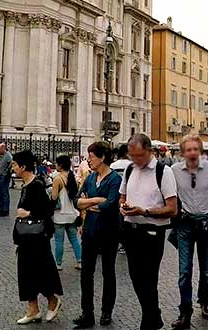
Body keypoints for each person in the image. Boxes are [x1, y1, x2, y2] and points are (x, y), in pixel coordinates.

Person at [169, 134, 208, 329]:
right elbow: (167, 195)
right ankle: (184, 311)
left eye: (196, 149)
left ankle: (205, 301)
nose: (192, 153)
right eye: (188, 150)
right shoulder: (173, 171)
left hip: (206, 222)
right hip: (185, 224)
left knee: (206, 270)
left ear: (200, 151)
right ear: (183, 153)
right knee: (184, 271)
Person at [119, 134, 179, 330]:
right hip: (130, 230)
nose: (136, 160)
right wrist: (123, 206)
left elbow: (172, 208)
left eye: (140, 155)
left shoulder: (164, 171)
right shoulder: (129, 169)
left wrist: (144, 211)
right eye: (132, 156)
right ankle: (154, 316)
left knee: (149, 279)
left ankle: (149, 322)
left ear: (150, 151)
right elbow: (122, 196)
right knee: (136, 278)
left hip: (152, 233)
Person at [72, 141, 122, 329]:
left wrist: (90, 204)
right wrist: (94, 201)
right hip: (90, 230)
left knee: (108, 272)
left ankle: (106, 311)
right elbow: (77, 200)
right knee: (86, 273)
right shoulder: (90, 178)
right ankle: (87, 313)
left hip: (109, 231)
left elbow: (110, 204)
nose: (88, 160)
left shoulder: (115, 179)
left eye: (91, 157)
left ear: (101, 158)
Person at [12, 150, 63, 324]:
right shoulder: (25, 185)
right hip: (25, 237)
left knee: (42, 271)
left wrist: (28, 213)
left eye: (15, 164)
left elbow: (47, 210)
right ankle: (33, 309)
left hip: (38, 237)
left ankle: (52, 300)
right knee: (25, 273)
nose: (13, 167)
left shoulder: (37, 185)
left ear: (23, 166)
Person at [51, 154, 82, 272]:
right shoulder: (72, 178)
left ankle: (58, 263)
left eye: (56, 163)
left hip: (60, 214)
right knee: (74, 239)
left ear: (60, 165)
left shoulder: (57, 179)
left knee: (59, 240)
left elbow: (54, 197)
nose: (55, 165)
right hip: (71, 214)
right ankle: (80, 261)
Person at [0, 143, 14, 216]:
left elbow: (11, 162)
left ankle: (5, 210)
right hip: (1, 176)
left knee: (4, 193)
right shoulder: (3, 156)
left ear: (3, 148)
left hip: (4, 176)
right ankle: (0, 208)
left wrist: (7, 170)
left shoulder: (8, 155)